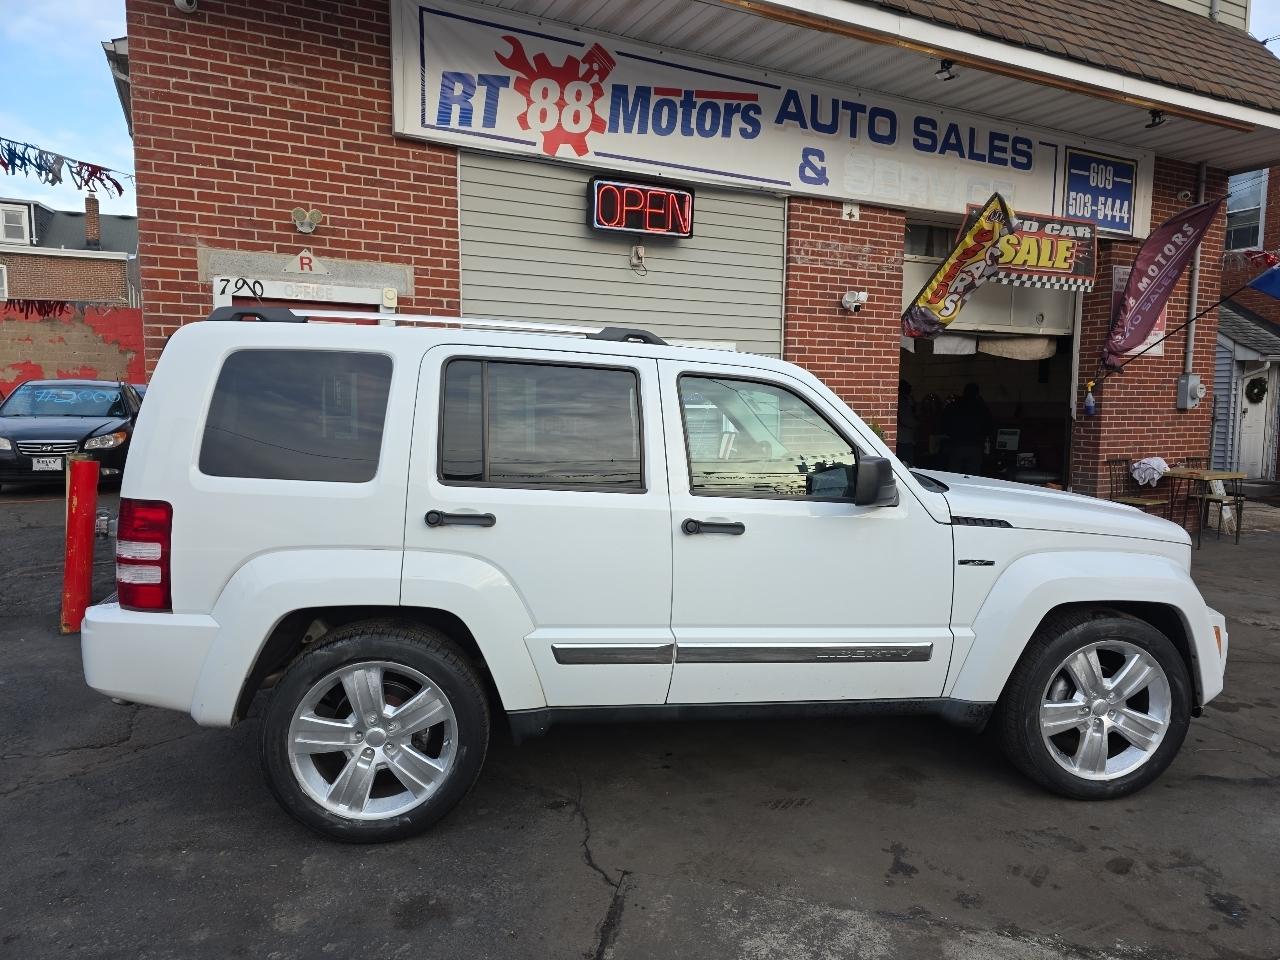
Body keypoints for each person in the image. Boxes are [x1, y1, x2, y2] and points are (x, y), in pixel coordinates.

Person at [944, 382, 993, 474]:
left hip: (957, 444)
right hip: (975, 446)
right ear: (977, 393)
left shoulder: (954, 405)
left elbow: (945, 423)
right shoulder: (982, 407)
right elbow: (989, 427)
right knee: (972, 477)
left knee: (954, 475)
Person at [896, 380, 917, 465]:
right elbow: (906, 420)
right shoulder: (903, 401)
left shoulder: (904, 400)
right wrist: (917, 424)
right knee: (906, 463)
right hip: (904, 438)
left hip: (904, 437)